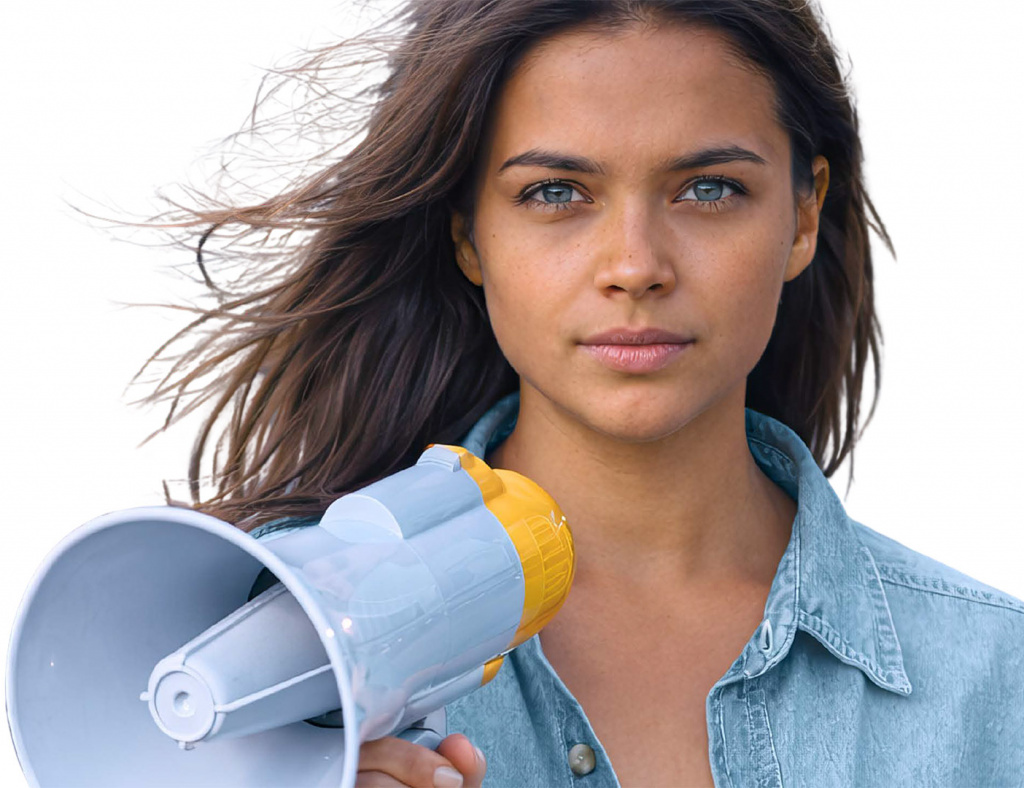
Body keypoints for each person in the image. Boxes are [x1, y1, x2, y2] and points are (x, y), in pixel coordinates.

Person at [140, 1, 1024, 786]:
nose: (635, 265)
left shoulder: (994, 679)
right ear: (469, 235)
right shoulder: (257, 639)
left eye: (709, 189)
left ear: (802, 214)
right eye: (556, 193)